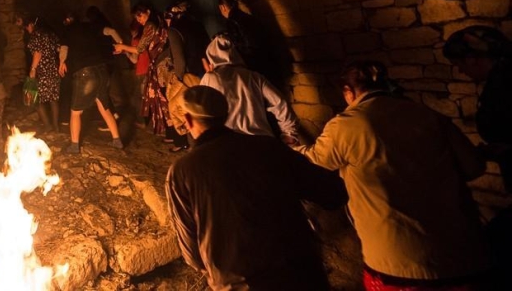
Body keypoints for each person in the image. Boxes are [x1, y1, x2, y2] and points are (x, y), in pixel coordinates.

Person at [297, 61, 490, 290]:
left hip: (397, 260)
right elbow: (473, 167)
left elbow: (315, 162)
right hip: (460, 253)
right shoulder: (428, 115)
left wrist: (288, 149)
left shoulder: (347, 125)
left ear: (348, 92)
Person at [166, 86, 347, 291]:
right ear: (225, 115)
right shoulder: (268, 147)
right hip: (299, 274)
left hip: (241, 284)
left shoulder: (181, 172)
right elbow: (332, 193)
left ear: (188, 120)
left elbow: (192, 253)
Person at [443, 25, 512, 289]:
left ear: (473, 58)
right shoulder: (500, 81)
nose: (460, 70)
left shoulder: (504, 85)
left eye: (460, 63)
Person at [200, 34, 300, 145]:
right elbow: (279, 103)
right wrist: (289, 133)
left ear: (211, 55)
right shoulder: (253, 77)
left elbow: (201, 113)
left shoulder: (209, 79)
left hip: (231, 145)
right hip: (262, 142)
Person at [59, 13, 124, 153]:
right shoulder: (90, 26)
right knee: (104, 107)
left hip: (85, 73)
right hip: (102, 70)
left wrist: (62, 62)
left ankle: (74, 146)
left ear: (67, 21)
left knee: (75, 112)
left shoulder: (68, 30)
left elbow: (64, 49)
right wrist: (120, 44)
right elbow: (111, 31)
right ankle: (117, 140)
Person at [114, 3, 170, 136]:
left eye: (140, 15)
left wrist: (122, 47)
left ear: (148, 11)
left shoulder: (150, 26)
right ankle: (168, 131)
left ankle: (167, 130)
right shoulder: (158, 22)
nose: (139, 19)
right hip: (161, 63)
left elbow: (139, 49)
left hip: (160, 65)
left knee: (160, 98)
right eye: (137, 18)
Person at [163, 1, 209, 151]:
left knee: (187, 112)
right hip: (204, 74)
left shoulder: (174, 30)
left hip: (188, 76)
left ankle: (194, 147)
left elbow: (179, 59)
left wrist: (178, 78)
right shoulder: (198, 25)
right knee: (203, 111)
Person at [218, 0, 277, 83]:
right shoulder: (248, 17)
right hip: (266, 60)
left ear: (223, 7)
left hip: (253, 64)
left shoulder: (231, 21)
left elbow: (239, 46)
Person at [18, 15, 62, 133]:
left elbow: (37, 53)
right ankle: (56, 126)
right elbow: (59, 49)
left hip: (42, 71)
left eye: (27, 27)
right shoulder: (51, 34)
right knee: (53, 99)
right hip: (53, 69)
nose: (27, 29)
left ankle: (48, 125)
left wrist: (33, 69)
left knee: (37, 99)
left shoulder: (36, 35)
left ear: (32, 24)